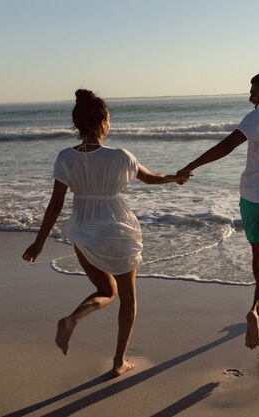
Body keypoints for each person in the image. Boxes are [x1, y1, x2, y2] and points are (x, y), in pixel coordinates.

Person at [23, 89, 190, 377]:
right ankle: (118, 362)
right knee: (127, 300)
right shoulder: (121, 157)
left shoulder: (65, 158)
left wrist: (38, 243)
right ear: (102, 121)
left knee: (105, 290)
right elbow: (151, 179)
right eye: (109, 119)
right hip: (117, 231)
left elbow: (56, 204)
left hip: (83, 231)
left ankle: (73, 319)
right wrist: (177, 177)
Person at [177, 71, 259, 349]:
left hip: (250, 196)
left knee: (256, 252)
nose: (250, 96)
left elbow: (226, 146)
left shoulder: (258, 116)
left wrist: (191, 165)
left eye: (253, 91)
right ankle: (255, 308)